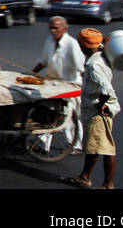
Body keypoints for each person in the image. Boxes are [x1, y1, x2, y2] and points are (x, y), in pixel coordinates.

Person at [62, 28, 119, 189]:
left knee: (106, 148)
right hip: (97, 109)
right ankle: (84, 177)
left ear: (85, 46)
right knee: (93, 146)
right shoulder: (101, 56)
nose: (80, 48)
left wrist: (101, 106)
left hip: (98, 111)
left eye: (81, 45)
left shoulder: (94, 64)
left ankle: (108, 185)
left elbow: (106, 90)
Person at [32, 16, 85, 154]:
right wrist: (32, 73)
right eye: (51, 28)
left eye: (56, 28)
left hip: (70, 85)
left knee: (71, 117)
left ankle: (75, 145)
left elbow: (82, 68)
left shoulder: (72, 44)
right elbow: (43, 61)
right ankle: (43, 144)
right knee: (49, 114)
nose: (53, 31)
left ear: (64, 28)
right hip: (53, 84)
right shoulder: (49, 41)